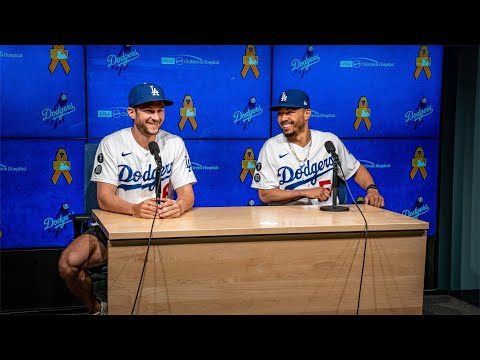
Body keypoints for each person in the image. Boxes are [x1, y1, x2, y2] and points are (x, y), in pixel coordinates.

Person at [58, 82, 197, 314]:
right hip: (116, 227)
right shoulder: (112, 144)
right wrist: (134, 209)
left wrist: (180, 206)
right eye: (148, 110)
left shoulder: (174, 143)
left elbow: (187, 193)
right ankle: (98, 307)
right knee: (68, 263)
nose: (156, 117)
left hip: (161, 227)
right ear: (132, 112)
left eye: (160, 110)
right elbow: (104, 198)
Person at [251, 89, 384, 208]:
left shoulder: (328, 141)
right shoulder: (271, 147)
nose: (283, 118)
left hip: (327, 216)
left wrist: (372, 190)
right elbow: (265, 194)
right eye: (280, 114)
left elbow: (356, 169)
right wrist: (305, 193)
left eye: (290, 112)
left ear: (307, 114)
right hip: (288, 219)